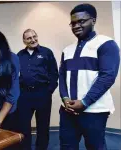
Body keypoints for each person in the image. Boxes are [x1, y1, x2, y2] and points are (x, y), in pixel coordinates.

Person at [59, 3, 120, 150]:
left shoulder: (106, 44)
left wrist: (85, 102)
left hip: (95, 111)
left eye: (81, 21)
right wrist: (65, 98)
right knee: (67, 146)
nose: (76, 26)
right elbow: (61, 77)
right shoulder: (67, 50)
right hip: (68, 111)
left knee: (95, 147)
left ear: (93, 20)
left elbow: (107, 77)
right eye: (73, 23)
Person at [17, 29, 59, 150]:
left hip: (42, 94)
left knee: (43, 126)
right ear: (24, 41)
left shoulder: (46, 52)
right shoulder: (19, 55)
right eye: (29, 38)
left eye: (34, 36)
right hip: (25, 95)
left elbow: (54, 73)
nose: (33, 40)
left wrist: (48, 91)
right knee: (23, 125)